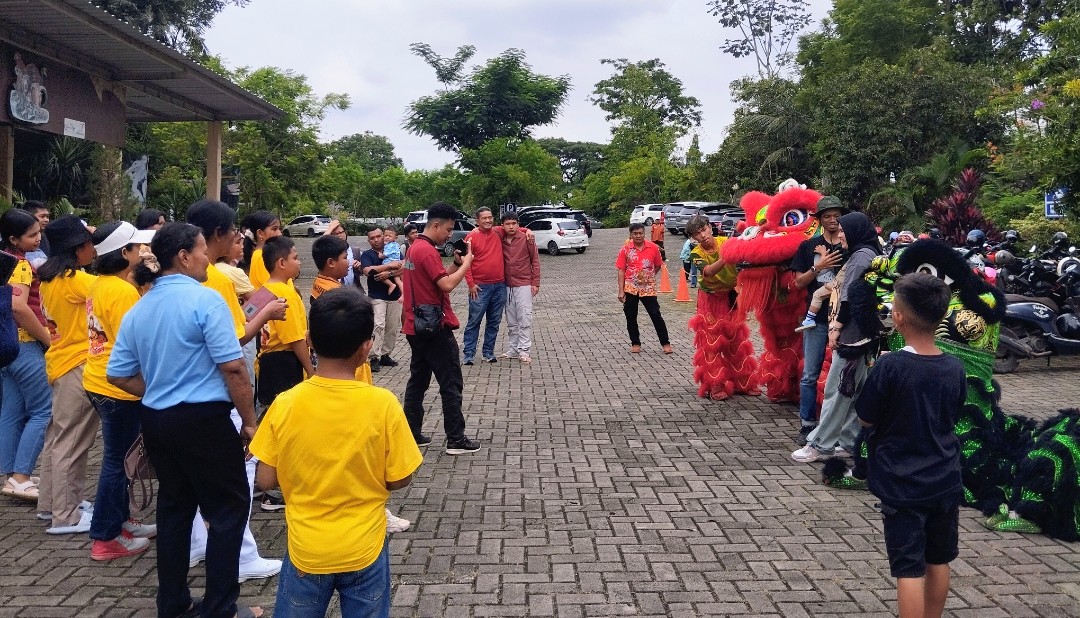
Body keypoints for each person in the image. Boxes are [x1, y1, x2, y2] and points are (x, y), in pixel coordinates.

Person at [107, 222, 263, 618]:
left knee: (175, 510)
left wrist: (160, 389)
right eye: (201, 250)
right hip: (204, 421)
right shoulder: (205, 300)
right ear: (183, 256)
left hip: (158, 420)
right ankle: (219, 608)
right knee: (227, 511)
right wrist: (249, 422)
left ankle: (173, 604)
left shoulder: (140, 307)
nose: (207, 255)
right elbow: (233, 368)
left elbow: (118, 374)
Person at [252, 287, 422, 617]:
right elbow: (401, 478)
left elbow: (266, 479)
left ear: (309, 339)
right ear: (367, 346)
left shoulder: (285, 403)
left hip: (306, 549)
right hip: (365, 546)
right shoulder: (382, 404)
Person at [186, 199, 284, 585]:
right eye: (233, 232)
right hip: (217, 394)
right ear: (218, 235)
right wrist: (265, 315)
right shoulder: (218, 279)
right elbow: (234, 342)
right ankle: (241, 555)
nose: (238, 238)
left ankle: (197, 544)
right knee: (236, 479)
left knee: (192, 480)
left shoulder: (171, 276)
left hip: (179, 401)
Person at [856, 273, 964, 618]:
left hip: (903, 483)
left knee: (908, 568)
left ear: (898, 317)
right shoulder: (954, 366)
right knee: (939, 558)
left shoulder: (891, 365)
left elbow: (866, 418)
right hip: (945, 476)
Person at [83, 221, 158, 560]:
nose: (142, 252)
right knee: (118, 462)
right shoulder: (122, 292)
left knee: (121, 459)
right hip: (119, 388)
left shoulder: (102, 284)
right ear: (123, 253)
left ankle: (120, 520)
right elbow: (137, 344)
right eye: (136, 248)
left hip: (99, 381)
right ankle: (105, 537)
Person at [792, 211, 883, 463]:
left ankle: (821, 444)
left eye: (843, 230)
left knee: (838, 389)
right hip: (864, 335)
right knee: (855, 390)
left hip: (853, 336)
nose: (839, 234)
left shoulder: (859, 257)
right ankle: (849, 441)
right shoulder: (869, 253)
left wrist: (836, 328)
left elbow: (848, 296)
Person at [402, 202, 481, 455]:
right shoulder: (426, 250)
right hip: (434, 327)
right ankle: (456, 439)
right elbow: (446, 286)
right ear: (435, 225)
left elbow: (436, 279)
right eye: (447, 229)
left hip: (416, 326)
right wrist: (468, 263)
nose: (449, 235)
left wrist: (456, 264)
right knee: (450, 382)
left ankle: (411, 433)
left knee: (418, 381)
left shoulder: (415, 248)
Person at [0, 209, 51, 501]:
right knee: (44, 410)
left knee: (11, 411)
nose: (38, 238)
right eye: (32, 235)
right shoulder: (19, 266)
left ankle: (12, 477)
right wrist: (46, 339)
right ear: (13, 239)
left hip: (6, 347)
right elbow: (18, 307)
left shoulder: (3, 261)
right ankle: (21, 476)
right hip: (25, 344)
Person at [790, 196, 847, 443]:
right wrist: (819, 266)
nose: (833, 220)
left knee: (843, 375)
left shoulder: (849, 247)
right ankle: (807, 424)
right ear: (820, 220)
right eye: (827, 216)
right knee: (809, 374)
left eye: (837, 216)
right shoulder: (808, 247)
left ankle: (836, 427)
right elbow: (798, 283)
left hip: (843, 320)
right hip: (815, 320)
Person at [685, 215, 756, 400]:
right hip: (710, 300)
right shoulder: (696, 253)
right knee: (712, 342)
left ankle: (743, 382)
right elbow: (708, 271)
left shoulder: (727, 241)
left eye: (704, 230)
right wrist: (726, 257)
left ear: (710, 227)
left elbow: (746, 254)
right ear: (693, 238)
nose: (702, 236)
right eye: (697, 234)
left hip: (730, 296)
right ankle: (715, 384)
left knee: (737, 339)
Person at [256, 236, 313, 407]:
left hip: (265, 362)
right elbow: (295, 339)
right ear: (281, 263)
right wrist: (310, 370)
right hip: (284, 363)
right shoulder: (286, 294)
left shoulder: (262, 291)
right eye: (295, 258)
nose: (299, 262)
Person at [616, 223, 672, 354]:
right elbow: (621, 270)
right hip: (630, 287)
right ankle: (635, 343)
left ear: (644, 233)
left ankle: (665, 343)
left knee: (655, 314)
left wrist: (648, 276)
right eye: (635, 233)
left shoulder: (653, 247)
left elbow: (658, 265)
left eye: (640, 233)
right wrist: (621, 290)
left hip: (648, 287)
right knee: (630, 315)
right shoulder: (625, 249)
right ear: (630, 235)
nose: (638, 236)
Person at [461, 206, 506, 365]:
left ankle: (488, 352)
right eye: (484, 218)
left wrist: (527, 231)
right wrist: (471, 284)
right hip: (479, 287)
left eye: (490, 217)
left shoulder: (498, 232)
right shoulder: (470, 238)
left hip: (500, 286)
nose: (488, 220)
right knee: (474, 321)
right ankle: (469, 354)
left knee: (494, 321)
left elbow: (514, 226)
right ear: (477, 221)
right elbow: (465, 263)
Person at [497, 212, 540, 364]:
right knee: (511, 319)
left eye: (514, 223)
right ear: (502, 225)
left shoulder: (526, 238)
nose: (511, 226)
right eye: (507, 224)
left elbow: (535, 260)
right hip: (506, 284)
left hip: (524, 283)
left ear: (518, 224)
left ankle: (524, 350)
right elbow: (486, 228)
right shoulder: (500, 238)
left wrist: (535, 283)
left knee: (524, 317)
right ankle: (513, 348)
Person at [360, 228, 403, 373]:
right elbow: (367, 270)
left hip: (395, 296)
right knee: (378, 325)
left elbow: (408, 266)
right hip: (377, 296)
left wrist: (389, 273)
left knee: (392, 326)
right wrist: (389, 266)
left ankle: (386, 354)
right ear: (369, 240)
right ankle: (373, 357)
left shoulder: (394, 249)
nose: (377, 239)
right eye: (373, 238)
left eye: (379, 236)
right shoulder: (367, 255)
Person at [241, 210, 282, 290]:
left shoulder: (266, 255)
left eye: (279, 229)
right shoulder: (261, 257)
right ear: (260, 233)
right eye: (274, 229)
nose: (279, 233)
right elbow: (274, 290)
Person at [323, 220, 362, 289]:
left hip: (354, 293)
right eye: (334, 234)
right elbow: (320, 244)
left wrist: (359, 267)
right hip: (334, 291)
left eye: (340, 232)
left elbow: (363, 271)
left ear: (345, 233)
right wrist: (330, 228)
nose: (338, 235)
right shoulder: (327, 252)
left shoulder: (356, 251)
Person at [19, 200, 50, 265]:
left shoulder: (44, 236)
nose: (46, 220)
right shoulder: (17, 235)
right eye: (42, 216)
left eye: (47, 217)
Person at [380, 228, 405, 297]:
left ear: (395, 237)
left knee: (381, 274)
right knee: (398, 280)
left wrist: (380, 255)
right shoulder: (396, 245)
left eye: (389, 236)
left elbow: (385, 255)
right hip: (397, 263)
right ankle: (404, 294)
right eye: (385, 235)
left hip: (390, 263)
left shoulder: (390, 245)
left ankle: (391, 284)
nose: (387, 237)